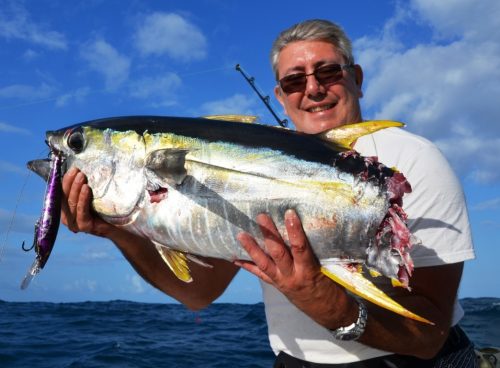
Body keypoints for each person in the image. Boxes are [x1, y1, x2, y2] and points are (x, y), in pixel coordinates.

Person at [61, 19, 477, 367]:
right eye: (294, 80)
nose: (312, 88)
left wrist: (327, 303)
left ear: (357, 79)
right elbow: (199, 293)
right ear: (279, 95)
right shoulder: (246, 172)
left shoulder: (413, 159)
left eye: (328, 72)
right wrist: (116, 231)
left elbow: (428, 336)